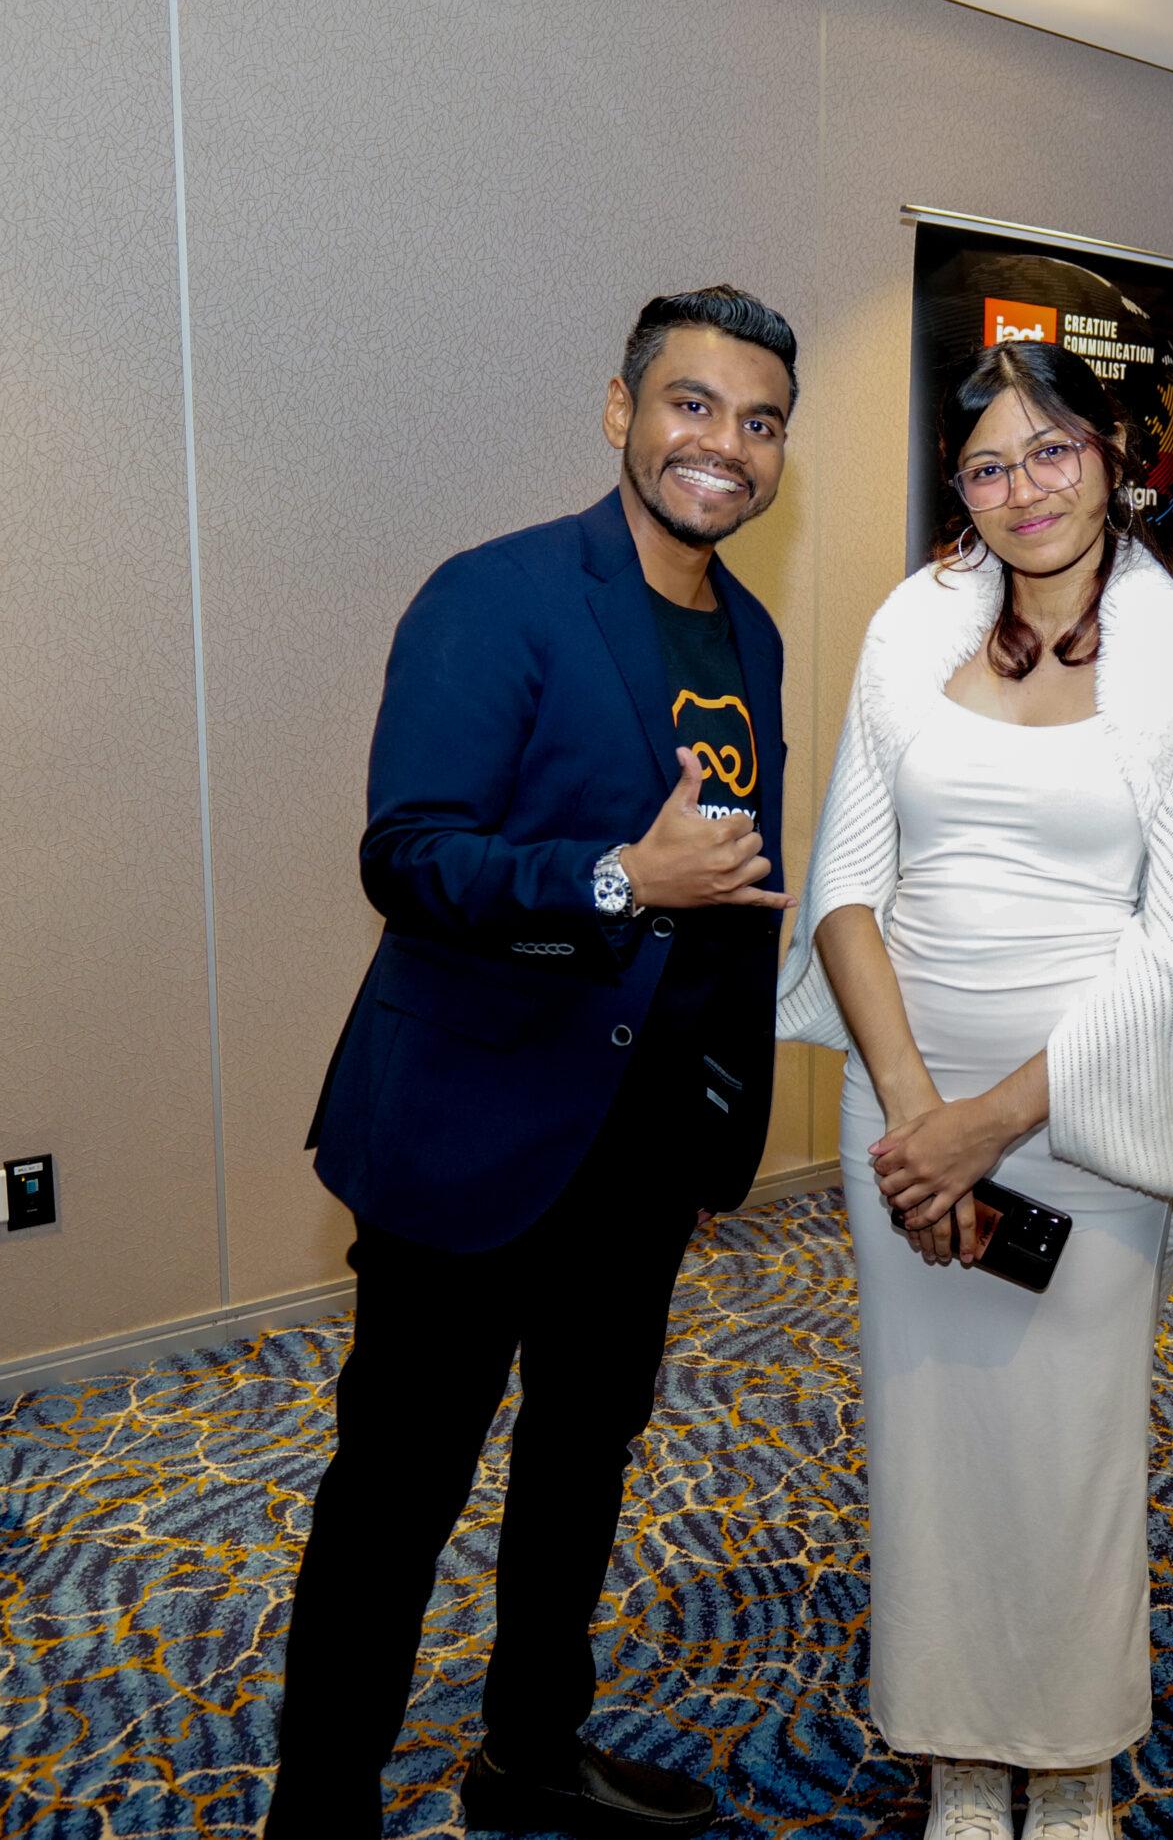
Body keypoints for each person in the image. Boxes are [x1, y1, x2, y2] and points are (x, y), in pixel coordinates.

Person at [268, 287, 802, 1840]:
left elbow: (732, 892)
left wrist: (720, 1111)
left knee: (582, 1460)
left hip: (641, 1148)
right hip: (472, 1129)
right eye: (692, 404)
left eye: (760, 421)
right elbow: (409, 855)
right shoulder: (493, 595)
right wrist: (622, 878)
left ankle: (531, 1751)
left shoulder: (753, 634)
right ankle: (320, 1811)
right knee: (398, 1490)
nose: (725, 444)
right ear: (622, 411)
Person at [775, 341, 1173, 1840]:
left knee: (1068, 1446)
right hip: (901, 1111)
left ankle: (1075, 1753)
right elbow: (844, 888)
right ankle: (963, 1748)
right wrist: (919, 1115)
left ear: (1115, 459)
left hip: (1082, 1123)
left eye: (1052, 451)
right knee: (930, 1436)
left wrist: (985, 1127)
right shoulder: (911, 627)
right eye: (987, 464)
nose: (1022, 488)